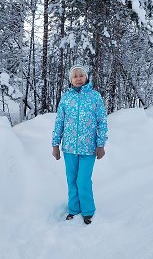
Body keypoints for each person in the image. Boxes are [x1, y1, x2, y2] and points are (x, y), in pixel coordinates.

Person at [52, 65, 108, 225]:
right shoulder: (66, 98)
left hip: (88, 148)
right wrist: (55, 144)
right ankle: (74, 209)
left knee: (83, 180)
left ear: (86, 77)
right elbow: (59, 121)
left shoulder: (94, 97)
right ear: (70, 80)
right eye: (75, 76)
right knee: (72, 179)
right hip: (69, 147)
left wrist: (100, 144)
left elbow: (102, 121)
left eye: (81, 76)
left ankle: (88, 210)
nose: (78, 79)